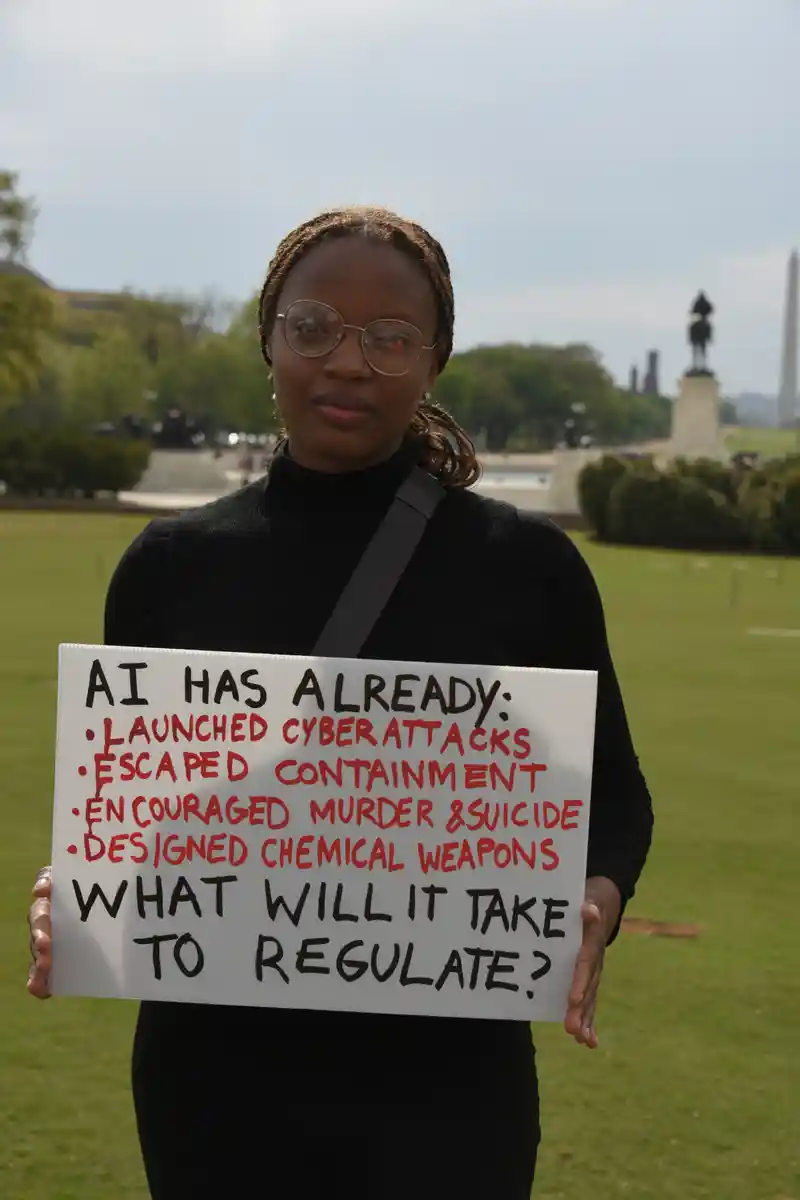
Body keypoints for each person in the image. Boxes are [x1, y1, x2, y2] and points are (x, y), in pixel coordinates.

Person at [27, 205, 654, 1198]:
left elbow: (614, 798)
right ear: (268, 340)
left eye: (389, 338)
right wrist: (83, 887)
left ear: (435, 360)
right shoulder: (169, 569)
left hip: (448, 1093)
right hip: (217, 1091)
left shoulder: (526, 570)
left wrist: (593, 896)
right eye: (313, 327)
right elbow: (145, 815)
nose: (348, 362)